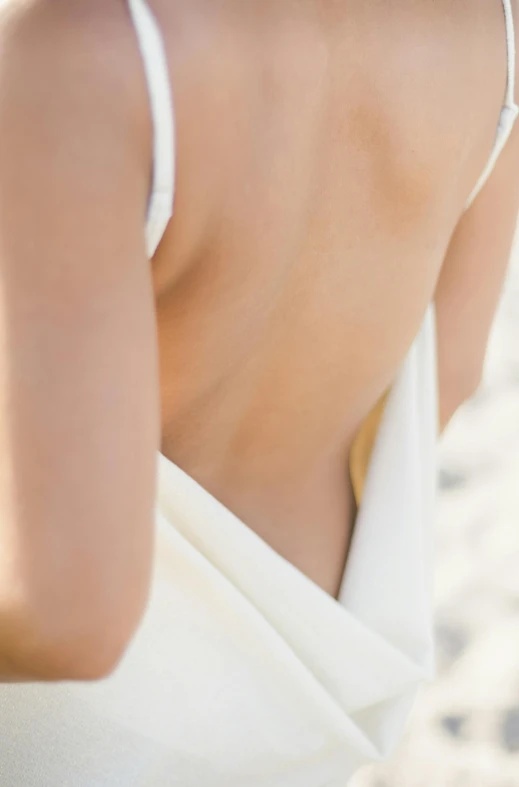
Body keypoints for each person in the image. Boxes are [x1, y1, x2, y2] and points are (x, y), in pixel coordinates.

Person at [0, 0, 518, 784]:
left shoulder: (83, 48)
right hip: (292, 722)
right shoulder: (489, 23)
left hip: (74, 734)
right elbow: (445, 374)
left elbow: (69, 615)